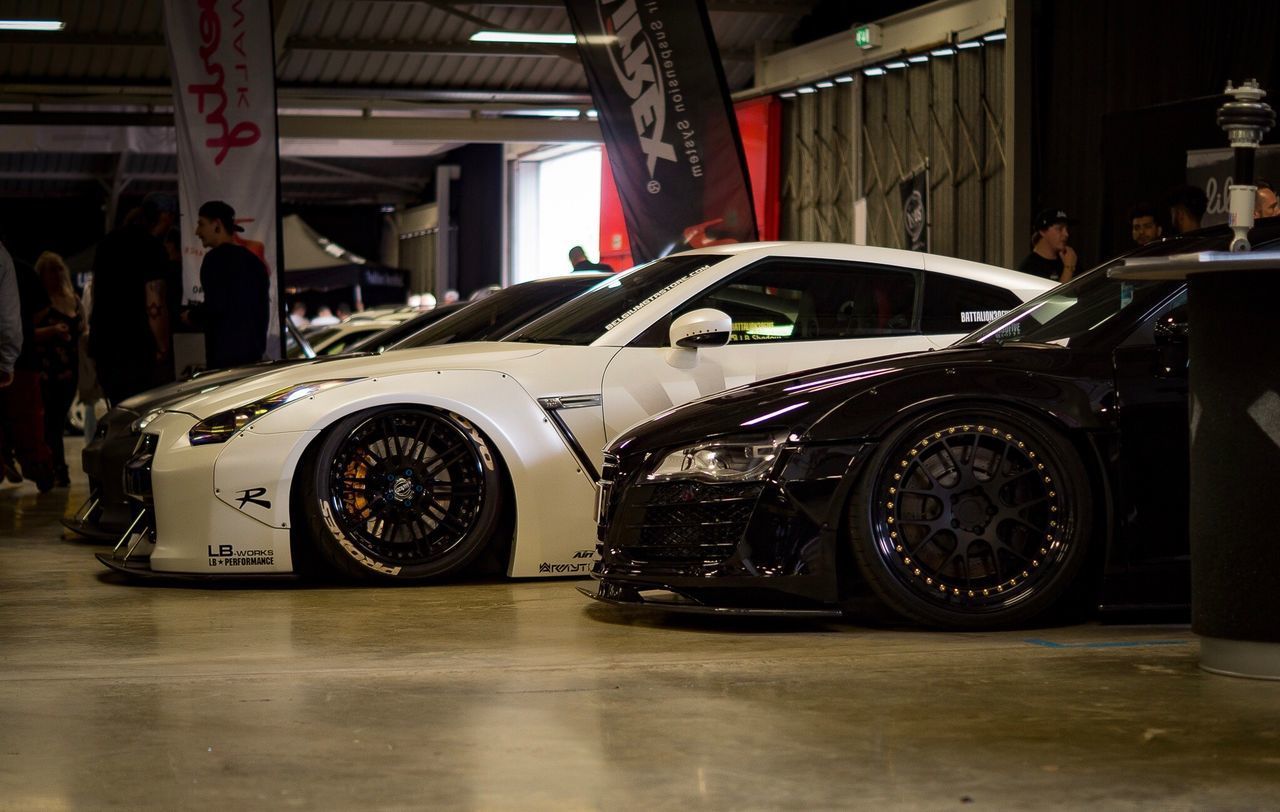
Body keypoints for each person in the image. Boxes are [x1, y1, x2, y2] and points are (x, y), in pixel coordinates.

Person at [89, 193, 173, 404]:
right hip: (137, 347)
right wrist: (162, 345)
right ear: (163, 217)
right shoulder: (152, 247)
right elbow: (154, 301)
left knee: (119, 413)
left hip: (105, 345)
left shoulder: (107, 244)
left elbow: (94, 292)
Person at [189, 200, 270, 370]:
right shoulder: (254, 262)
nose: (197, 232)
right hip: (253, 357)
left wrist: (192, 315)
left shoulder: (214, 260)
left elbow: (217, 306)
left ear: (217, 225)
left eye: (201, 224)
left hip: (223, 359)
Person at [33, 252, 83, 487]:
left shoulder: (72, 298)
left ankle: (55, 467)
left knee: (59, 418)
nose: (55, 274)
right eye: (50, 270)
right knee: (51, 420)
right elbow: (26, 333)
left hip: (70, 369)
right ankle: (55, 468)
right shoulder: (39, 302)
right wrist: (52, 331)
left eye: (58, 269)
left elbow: (82, 328)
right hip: (47, 368)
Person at [1017, 208, 1078, 283]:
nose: (1066, 234)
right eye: (1059, 229)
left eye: (1066, 229)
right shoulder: (1030, 268)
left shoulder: (1066, 258)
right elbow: (1058, 295)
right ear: (1042, 231)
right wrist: (1068, 268)